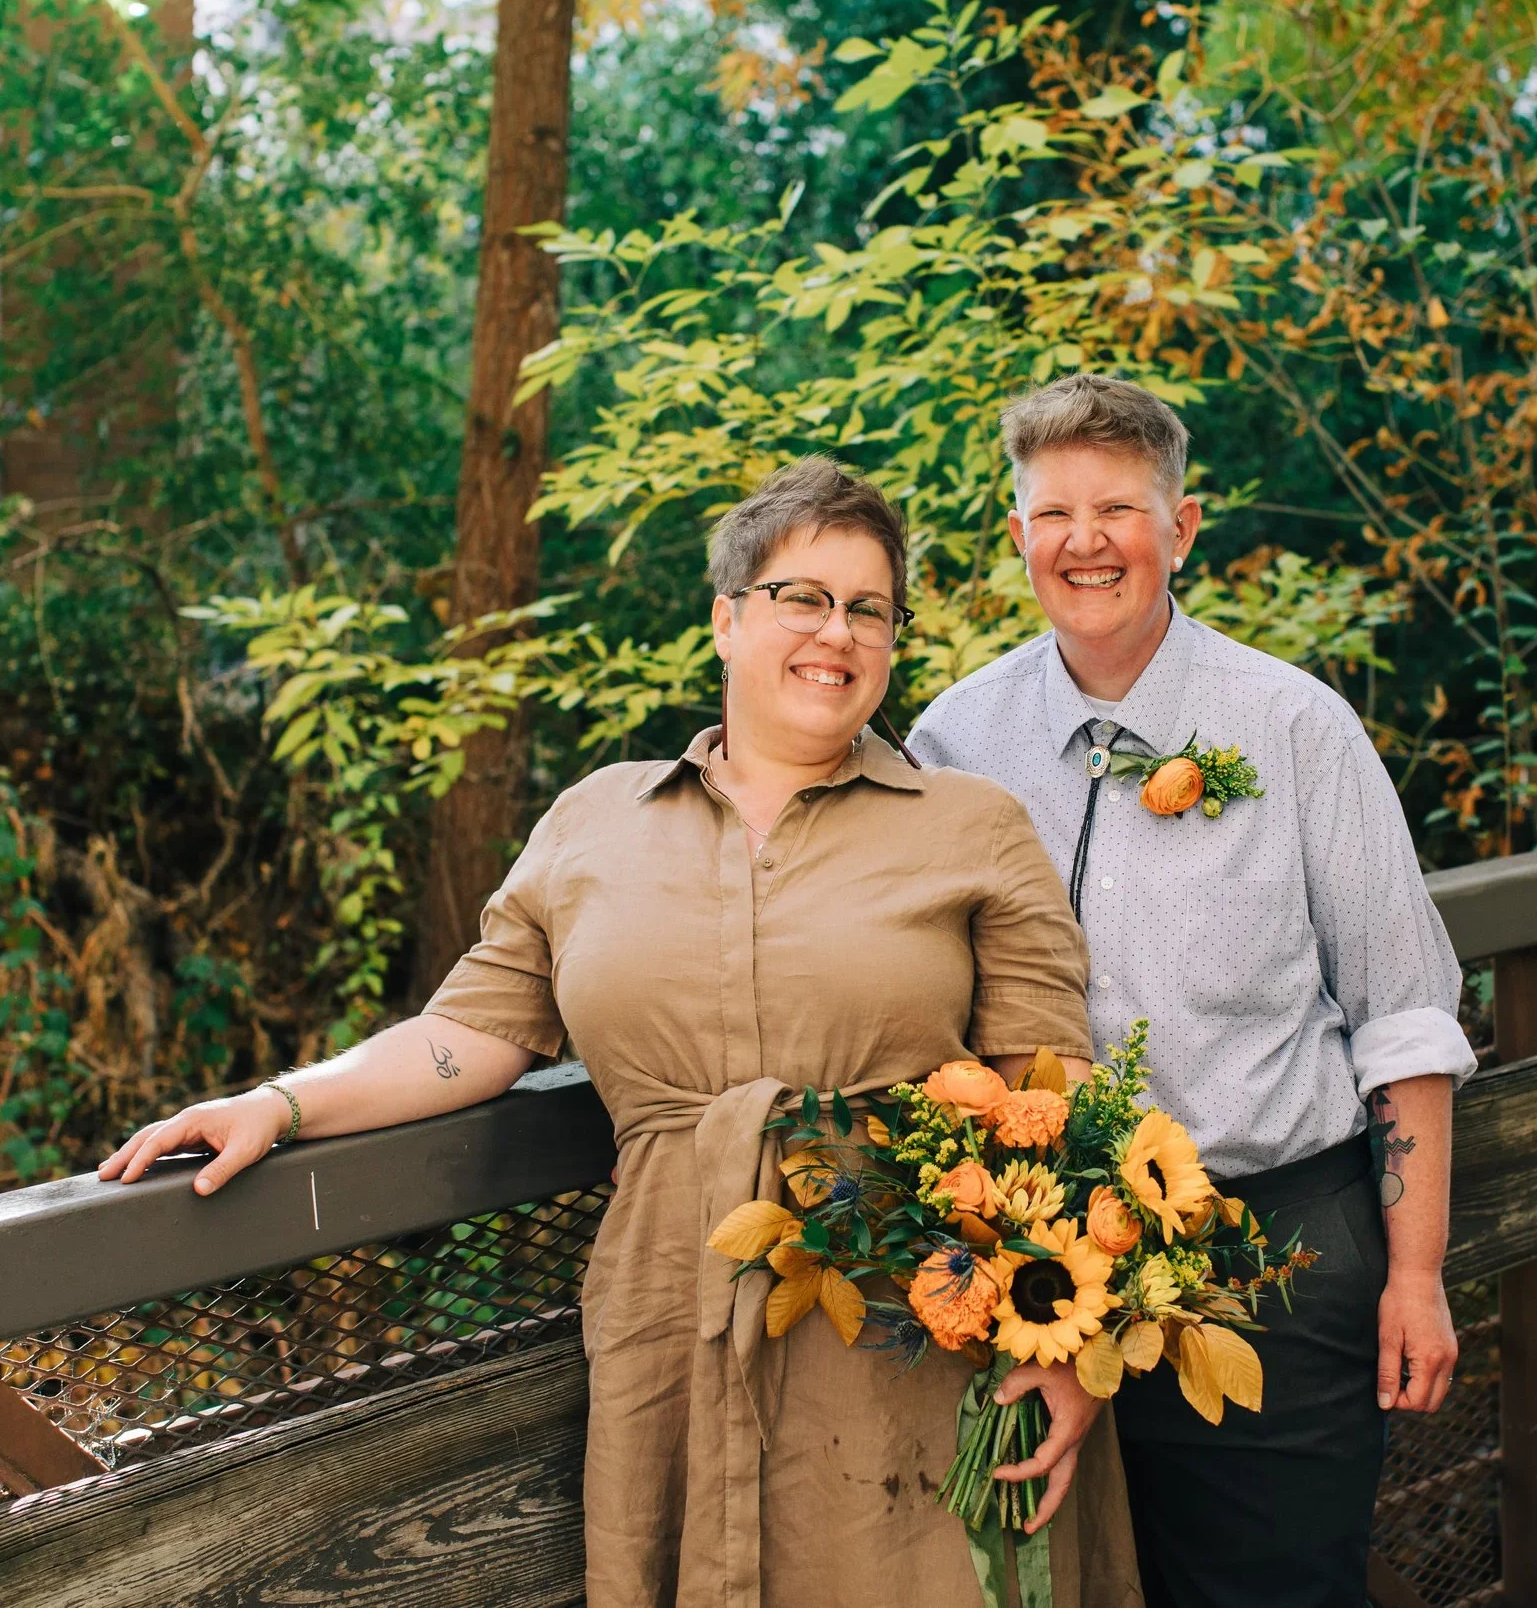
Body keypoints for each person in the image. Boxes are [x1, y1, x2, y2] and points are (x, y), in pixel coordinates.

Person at [99, 456, 1140, 1608]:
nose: (834, 632)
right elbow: (471, 1034)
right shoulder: (596, 820)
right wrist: (282, 1103)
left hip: (915, 1308)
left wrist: (1069, 1340)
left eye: (868, 609)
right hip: (671, 1305)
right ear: (726, 619)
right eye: (803, 596)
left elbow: (1052, 1091)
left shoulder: (971, 826)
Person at [906, 375, 1475, 1608]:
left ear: (1183, 525)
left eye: (1119, 507)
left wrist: (1414, 1272)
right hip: (1034, 1273)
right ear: (1017, 536)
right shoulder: (953, 744)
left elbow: (1402, 1014)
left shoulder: (1292, 728)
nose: (1085, 540)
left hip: (1273, 1251)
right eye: (1053, 511)